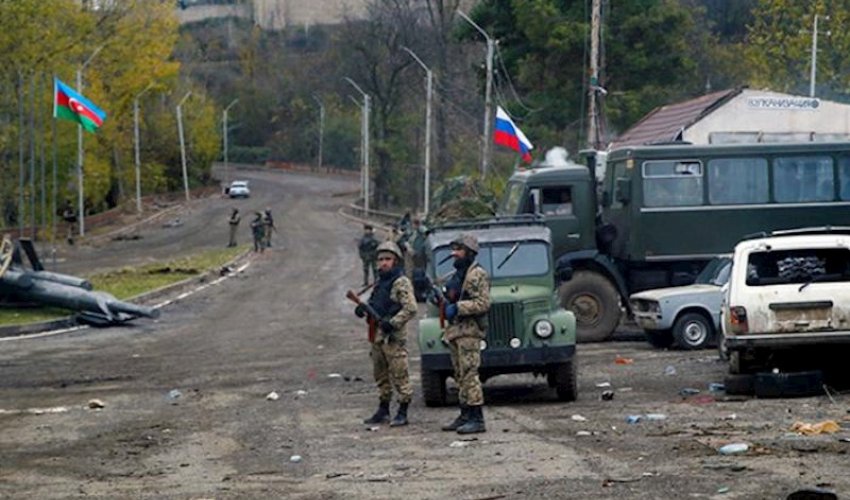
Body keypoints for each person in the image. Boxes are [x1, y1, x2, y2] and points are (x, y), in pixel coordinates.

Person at [355, 241, 418, 427]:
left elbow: (411, 308)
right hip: (378, 336)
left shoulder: (401, 282)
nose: (383, 263)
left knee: (400, 375)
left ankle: (403, 411)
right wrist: (362, 309)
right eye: (381, 259)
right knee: (380, 375)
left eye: (388, 259)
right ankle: (383, 410)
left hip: (394, 338)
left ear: (396, 261)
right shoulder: (380, 282)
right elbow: (375, 304)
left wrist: (393, 323)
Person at [441, 233, 490, 434]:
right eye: (453, 249)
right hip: (455, 331)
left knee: (470, 374)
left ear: (469, 252)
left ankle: (477, 418)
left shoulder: (476, 274)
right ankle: (464, 414)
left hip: (469, 331)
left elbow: (483, 303)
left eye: (459, 250)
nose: (454, 254)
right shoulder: (458, 275)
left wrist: (459, 307)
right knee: (460, 375)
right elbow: (451, 296)